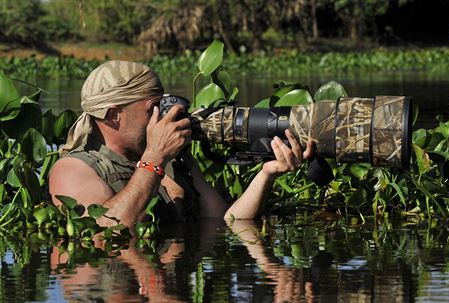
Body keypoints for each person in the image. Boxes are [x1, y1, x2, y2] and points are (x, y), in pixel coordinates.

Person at [49, 60, 313, 228]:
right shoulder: (73, 169)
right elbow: (106, 230)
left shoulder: (176, 159)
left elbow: (226, 221)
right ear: (113, 114)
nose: (163, 118)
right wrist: (155, 157)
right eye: (153, 108)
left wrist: (267, 174)